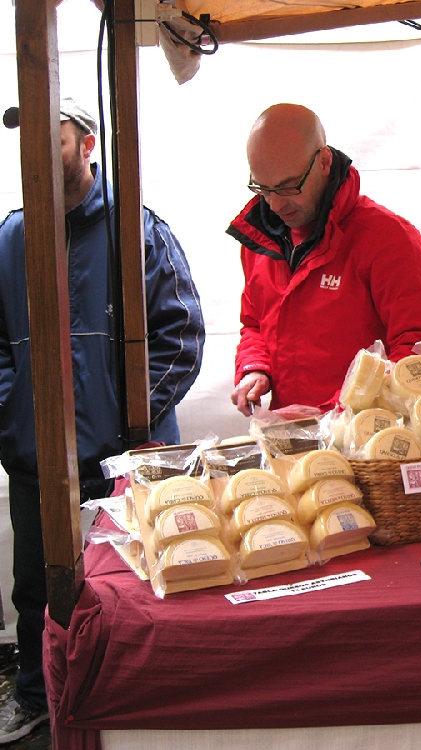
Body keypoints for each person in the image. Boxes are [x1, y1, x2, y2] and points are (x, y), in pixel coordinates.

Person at [0, 98, 205, 744]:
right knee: (37, 590)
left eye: (52, 138)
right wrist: (15, 420)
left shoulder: (136, 229)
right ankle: (38, 698)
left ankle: (136, 703)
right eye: (27, 139)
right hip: (37, 462)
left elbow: (181, 334)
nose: (38, 152)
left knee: (137, 585)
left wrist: (127, 428)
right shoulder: (8, 240)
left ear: (87, 146)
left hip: (125, 462)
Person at [227, 103, 421, 417]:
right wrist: (254, 368)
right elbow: (253, 325)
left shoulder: (386, 239)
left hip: (365, 437)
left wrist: (336, 413)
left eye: (288, 187)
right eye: (263, 188)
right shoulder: (259, 241)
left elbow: (418, 351)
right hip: (290, 433)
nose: (274, 205)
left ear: (324, 162)